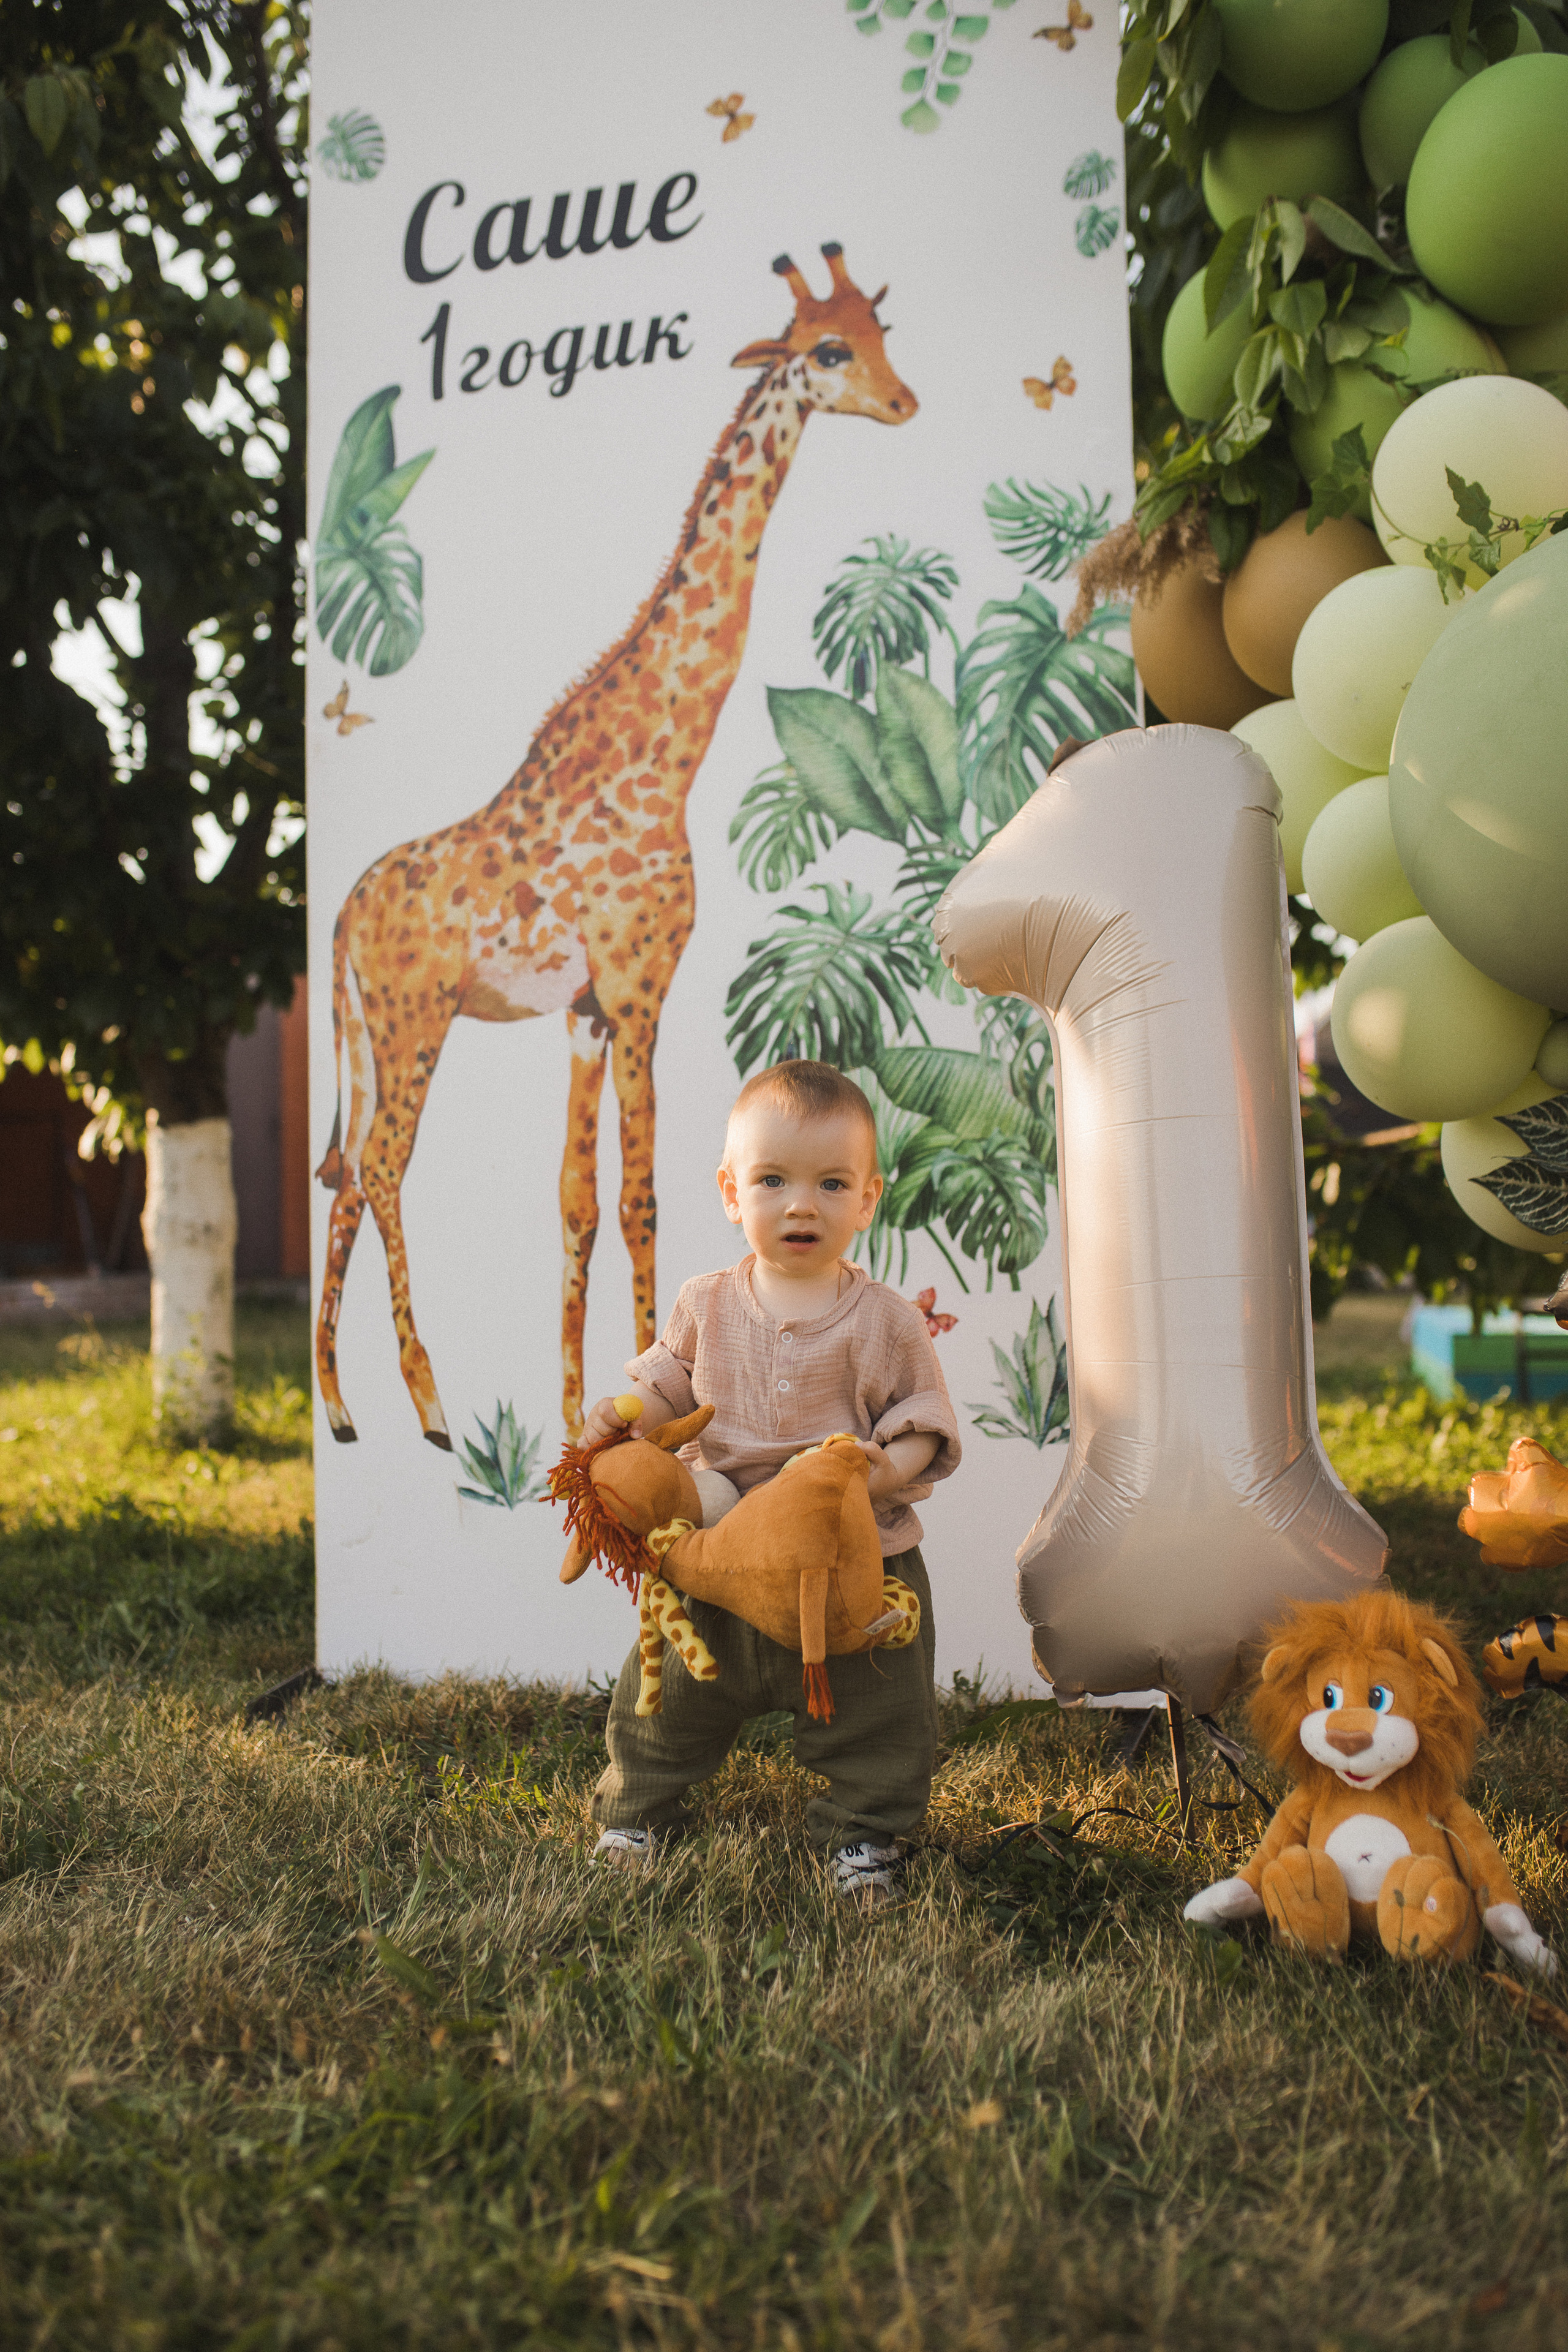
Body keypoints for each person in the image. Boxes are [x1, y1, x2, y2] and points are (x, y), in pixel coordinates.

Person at [584, 1060, 960, 1904]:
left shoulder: (887, 1320)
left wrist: (884, 1471)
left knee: (880, 1715)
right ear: (731, 1192)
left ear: (868, 1200)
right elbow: (668, 1387)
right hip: (716, 1555)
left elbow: (922, 1419)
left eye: (832, 1184)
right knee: (665, 1700)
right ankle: (639, 1811)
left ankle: (864, 1835)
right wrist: (627, 1416)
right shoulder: (707, 1302)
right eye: (772, 1181)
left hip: (849, 1563)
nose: (802, 1206)